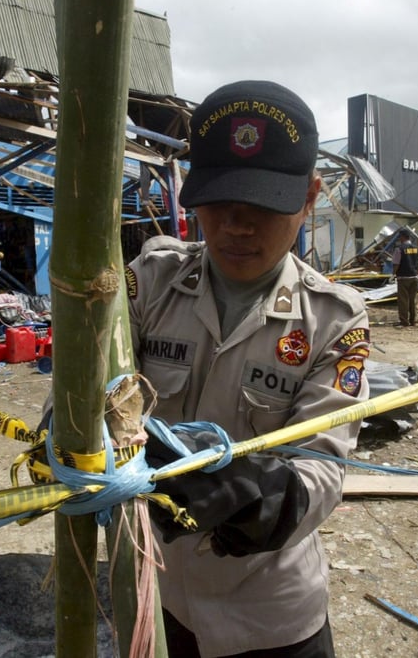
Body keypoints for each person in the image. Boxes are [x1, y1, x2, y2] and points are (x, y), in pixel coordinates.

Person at [126, 80, 370, 657]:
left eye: (263, 208)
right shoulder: (151, 281)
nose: (237, 227)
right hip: (153, 593)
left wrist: (269, 500)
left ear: (310, 197)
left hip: (269, 612)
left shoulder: (334, 319)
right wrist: (59, 436)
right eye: (220, 205)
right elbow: (86, 391)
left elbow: (323, 464)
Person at [390, 229, 418, 326]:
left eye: (400, 237)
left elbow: (396, 264)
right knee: (413, 300)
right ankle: (413, 320)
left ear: (402, 237)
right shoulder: (416, 248)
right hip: (414, 276)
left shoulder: (399, 249)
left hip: (403, 277)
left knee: (403, 300)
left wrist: (393, 274)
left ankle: (404, 321)